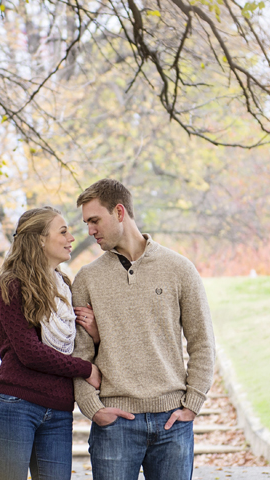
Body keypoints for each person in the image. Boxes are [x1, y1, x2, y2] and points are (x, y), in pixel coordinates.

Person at [71, 179, 216, 480]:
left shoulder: (179, 269)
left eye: (95, 220)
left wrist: (192, 404)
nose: (90, 231)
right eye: (87, 223)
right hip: (115, 424)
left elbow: (202, 342)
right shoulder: (87, 279)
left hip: (172, 425)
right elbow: (79, 355)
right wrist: (92, 407)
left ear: (120, 212)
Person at [0, 206, 102, 480]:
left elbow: (76, 343)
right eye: (63, 232)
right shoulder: (12, 284)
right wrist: (86, 369)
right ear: (39, 238)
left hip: (59, 409)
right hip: (16, 405)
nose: (71, 238)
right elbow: (31, 353)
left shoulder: (64, 286)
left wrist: (95, 334)